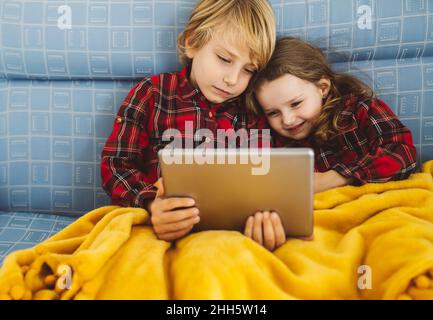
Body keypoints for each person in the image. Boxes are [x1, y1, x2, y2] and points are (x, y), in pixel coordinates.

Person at [101, 0, 277, 243]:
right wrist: (152, 204)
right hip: (160, 230)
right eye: (225, 59)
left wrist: (265, 218)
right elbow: (116, 165)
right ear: (192, 43)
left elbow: (266, 179)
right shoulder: (152, 93)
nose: (233, 79)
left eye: (249, 70)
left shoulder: (252, 112)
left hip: (229, 237)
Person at [247, 36, 417, 194]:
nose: (288, 120)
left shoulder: (360, 110)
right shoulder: (276, 140)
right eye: (273, 113)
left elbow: (402, 152)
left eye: (296, 104)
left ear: (322, 87)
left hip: (374, 202)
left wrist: (335, 178)